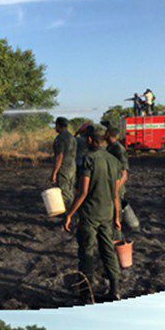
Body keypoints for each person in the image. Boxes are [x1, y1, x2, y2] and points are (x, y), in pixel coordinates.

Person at [64, 124, 122, 303]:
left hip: (89, 215)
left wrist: (69, 214)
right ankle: (115, 290)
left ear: (90, 139)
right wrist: (117, 217)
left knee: (86, 252)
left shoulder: (88, 159)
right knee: (108, 251)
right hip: (107, 213)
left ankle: (86, 294)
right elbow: (115, 194)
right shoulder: (114, 161)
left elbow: (82, 192)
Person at [105, 127, 135, 233]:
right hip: (110, 185)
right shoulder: (110, 147)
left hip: (117, 186)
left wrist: (116, 189)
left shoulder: (119, 149)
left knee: (117, 212)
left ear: (108, 133)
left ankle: (119, 234)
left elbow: (124, 175)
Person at [51, 117, 78, 207]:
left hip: (63, 169)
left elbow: (59, 156)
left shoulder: (60, 138)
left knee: (64, 193)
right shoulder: (72, 137)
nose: (55, 128)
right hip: (72, 169)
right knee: (70, 191)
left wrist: (54, 173)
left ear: (59, 125)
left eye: (56, 125)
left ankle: (71, 217)